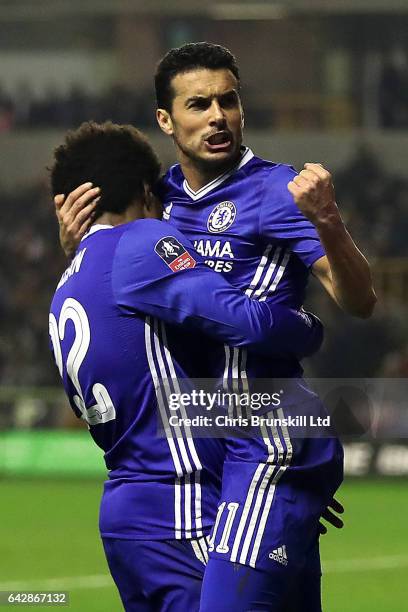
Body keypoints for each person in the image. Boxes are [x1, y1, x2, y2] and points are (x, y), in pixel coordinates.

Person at [55, 42, 376, 611]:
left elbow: (359, 299)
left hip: (265, 430)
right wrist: (81, 254)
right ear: (166, 120)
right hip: (225, 452)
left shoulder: (278, 191)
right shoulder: (159, 206)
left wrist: (327, 220)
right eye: (199, 104)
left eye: (228, 101)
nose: (217, 117)